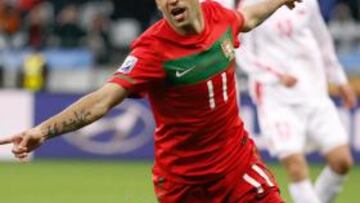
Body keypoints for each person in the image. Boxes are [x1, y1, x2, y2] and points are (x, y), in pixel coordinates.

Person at [0, 0, 301, 202]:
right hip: (183, 185)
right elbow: (102, 100)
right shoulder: (151, 51)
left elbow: (248, 17)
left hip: (237, 166)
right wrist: (43, 130)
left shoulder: (219, 16)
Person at [235, 0, 357, 203]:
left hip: (314, 93)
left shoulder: (308, 2)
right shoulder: (251, 5)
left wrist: (340, 80)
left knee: (342, 162)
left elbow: (323, 40)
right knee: (295, 165)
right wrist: (275, 75)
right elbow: (241, 51)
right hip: (277, 98)